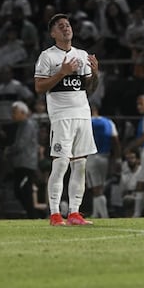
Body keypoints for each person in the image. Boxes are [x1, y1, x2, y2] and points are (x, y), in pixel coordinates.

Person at [34, 13, 100, 226]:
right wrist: (62, 73)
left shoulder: (81, 55)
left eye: (68, 25)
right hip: (61, 116)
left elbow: (89, 88)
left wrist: (96, 74)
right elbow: (39, 87)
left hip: (82, 114)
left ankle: (74, 213)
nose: (66, 28)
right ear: (53, 33)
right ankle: (54, 214)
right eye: (60, 26)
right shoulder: (48, 56)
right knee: (61, 163)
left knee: (80, 164)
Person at [6, 101, 40, 218]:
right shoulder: (22, 125)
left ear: (22, 113)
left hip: (26, 163)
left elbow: (21, 144)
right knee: (20, 190)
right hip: (21, 163)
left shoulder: (28, 125)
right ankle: (31, 214)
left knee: (24, 190)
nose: (12, 115)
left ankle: (32, 215)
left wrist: (8, 150)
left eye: (14, 112)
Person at [87, 104, 120, 218]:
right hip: (105, 157)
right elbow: (115, 140)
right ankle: (96, 214)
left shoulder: (85, 122)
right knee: (99, 186)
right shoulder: (108, 122)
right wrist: (117, 158)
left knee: (96, 188)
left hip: (91, 157)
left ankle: (105, 216)